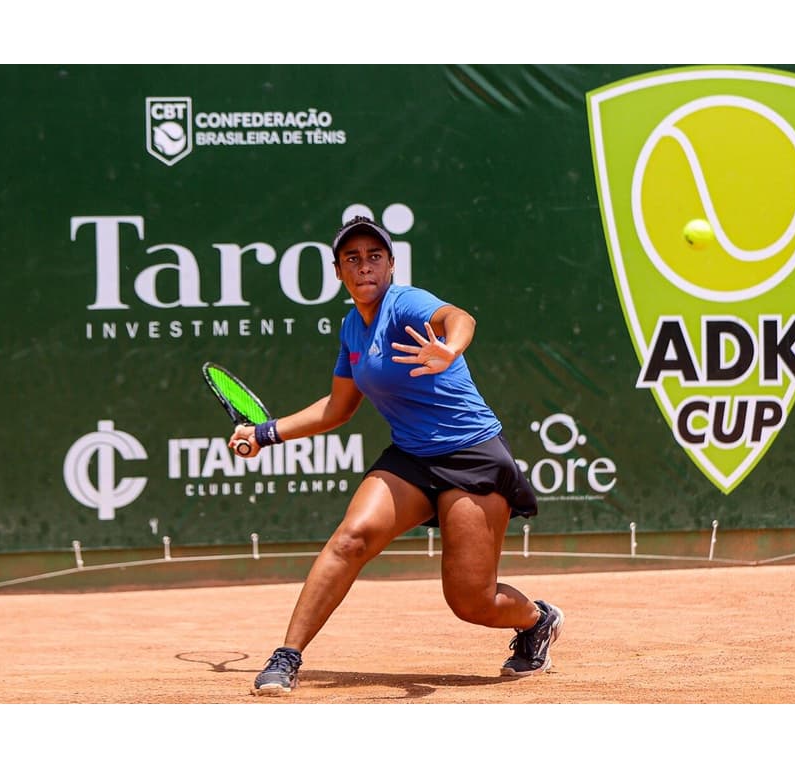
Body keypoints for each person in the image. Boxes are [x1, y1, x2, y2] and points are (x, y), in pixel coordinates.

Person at [228, 215, 563, 695]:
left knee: (471, 601)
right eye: (352, 259)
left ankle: (536, 620)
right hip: (411, 457)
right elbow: (337, 408)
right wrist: (265, 433)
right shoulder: (351, 328)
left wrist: (449, 349)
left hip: (471, 455)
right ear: (339, 271)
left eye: (374, 257)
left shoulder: (405, 303)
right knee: (350, 539)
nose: (364, 266)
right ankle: (287, 656)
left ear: (389, 265)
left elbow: (458, 318)